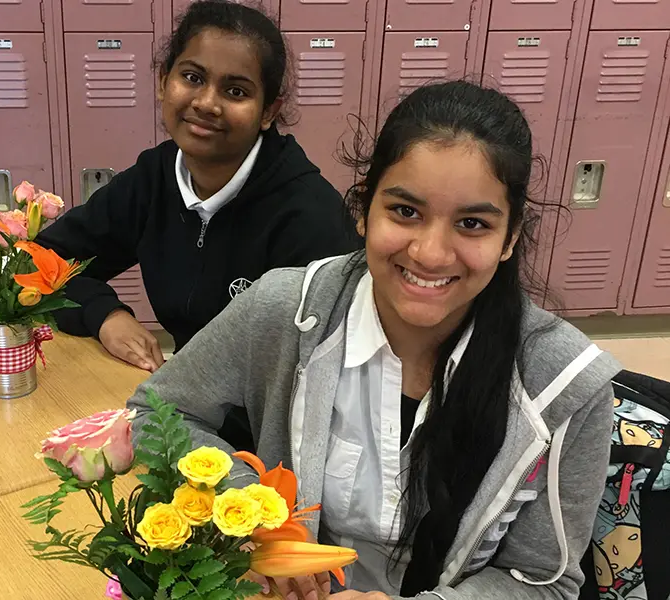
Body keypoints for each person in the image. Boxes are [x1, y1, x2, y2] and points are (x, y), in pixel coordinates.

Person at [128, 80, 621, 600]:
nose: (430, 253)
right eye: (405, 212)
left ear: (510, 238)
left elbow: (544, 582)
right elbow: (156, 412)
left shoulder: (563, 382)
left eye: (472, 223)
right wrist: (258, 519)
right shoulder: (287, 310)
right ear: (363, 209)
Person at [37, 0, 359, 374]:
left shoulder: (310, 218)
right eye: (192, 77)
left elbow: (314, 372)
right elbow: (44, 260)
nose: (207, 103)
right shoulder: (154, 177)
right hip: (185, 395)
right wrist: (105, 314)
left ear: (268, 111)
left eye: (236, 92)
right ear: (163, 81)